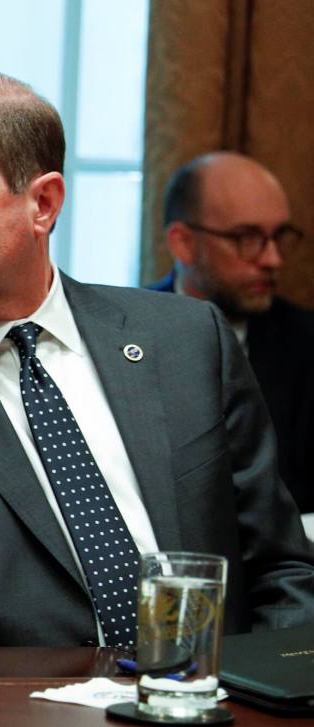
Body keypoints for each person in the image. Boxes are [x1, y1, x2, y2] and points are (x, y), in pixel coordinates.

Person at [0, 69, 314, 647]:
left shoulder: (188, 340)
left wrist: (265, 709)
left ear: (42, 203)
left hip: (215, 708)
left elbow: (282, 571)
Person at [149, 152, 314, 529]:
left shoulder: (306, 344)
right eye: (247, 238)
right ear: (183, 243)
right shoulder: (115, 334)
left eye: (279, 237)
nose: (272, 259)